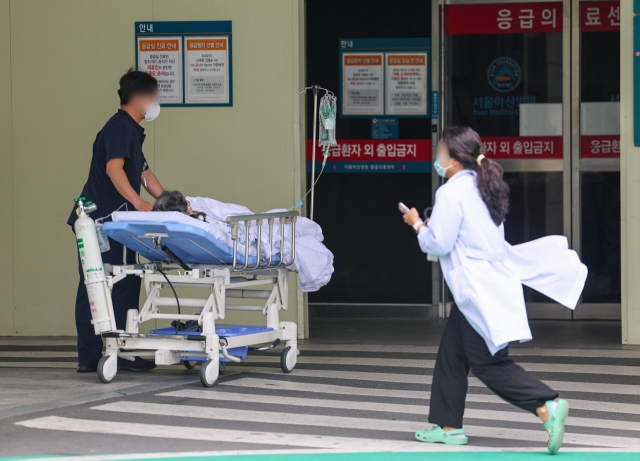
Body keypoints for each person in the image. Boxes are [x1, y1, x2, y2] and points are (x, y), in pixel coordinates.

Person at [402, 126, 587, 454]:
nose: (437, 157)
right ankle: (449, 426)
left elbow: (440, 243)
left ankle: (546, 405)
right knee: (453, 354)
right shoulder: (481, 186)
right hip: (483, 285)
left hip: (476, 289)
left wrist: (417, 224)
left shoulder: (451, 192)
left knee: (489, 363)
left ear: (454, 158)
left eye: (440, 151)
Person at [68, 68, 166, 373]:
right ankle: (109, 353)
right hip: (104, 221)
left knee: (115, 282)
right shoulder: (120, 128)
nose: (155, 103)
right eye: (153, 96)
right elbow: (114, 170)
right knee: (106, 283)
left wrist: (171, 204)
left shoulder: (129, 131)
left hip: (104, 220)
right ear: (139, 98)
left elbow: (144, 174)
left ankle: (110, 351)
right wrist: (138, 202)